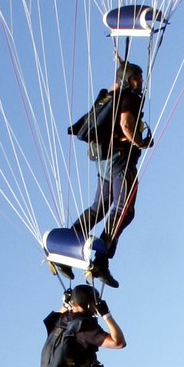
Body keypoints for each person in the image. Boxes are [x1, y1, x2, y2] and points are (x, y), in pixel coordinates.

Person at [67, 59, 153, 262]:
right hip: (121, 160)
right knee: (125, 209)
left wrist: (121, 64)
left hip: (104, 160)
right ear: (129, 81)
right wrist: (140, 143)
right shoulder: (130, 98)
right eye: (137, 78)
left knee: (101, 207)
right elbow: (125, 124)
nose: (140, 81)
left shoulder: (112, 95)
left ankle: (71, 240)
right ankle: (101, 257)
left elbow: (118, 81)